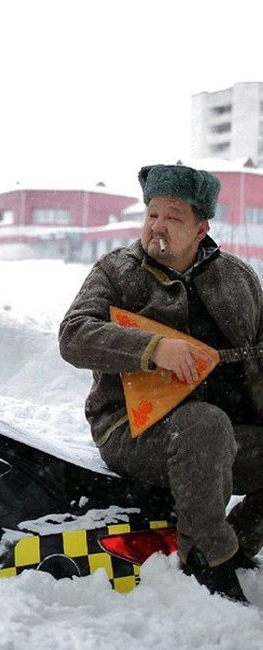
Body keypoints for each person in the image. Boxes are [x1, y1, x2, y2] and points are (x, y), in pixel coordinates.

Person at [59, 163, 263, 603]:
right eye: (152, 214)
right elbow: (73, 335)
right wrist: (153, 349)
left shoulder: (240, 279)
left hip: (223, 436)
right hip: (132, 430)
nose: (157, 226)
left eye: (172, 216)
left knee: (212, 428)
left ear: (201, 227)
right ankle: (208, 561)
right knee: (204, 425)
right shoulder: (117, 271)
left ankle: (239, 544)